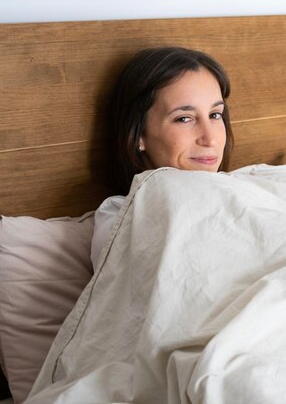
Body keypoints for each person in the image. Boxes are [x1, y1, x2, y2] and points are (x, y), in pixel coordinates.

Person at [92, 47, 234, 266]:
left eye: (215, 115)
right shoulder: (121, 221)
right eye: (184, 118)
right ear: (138, 134)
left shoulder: (252, 192)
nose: (210, 139)